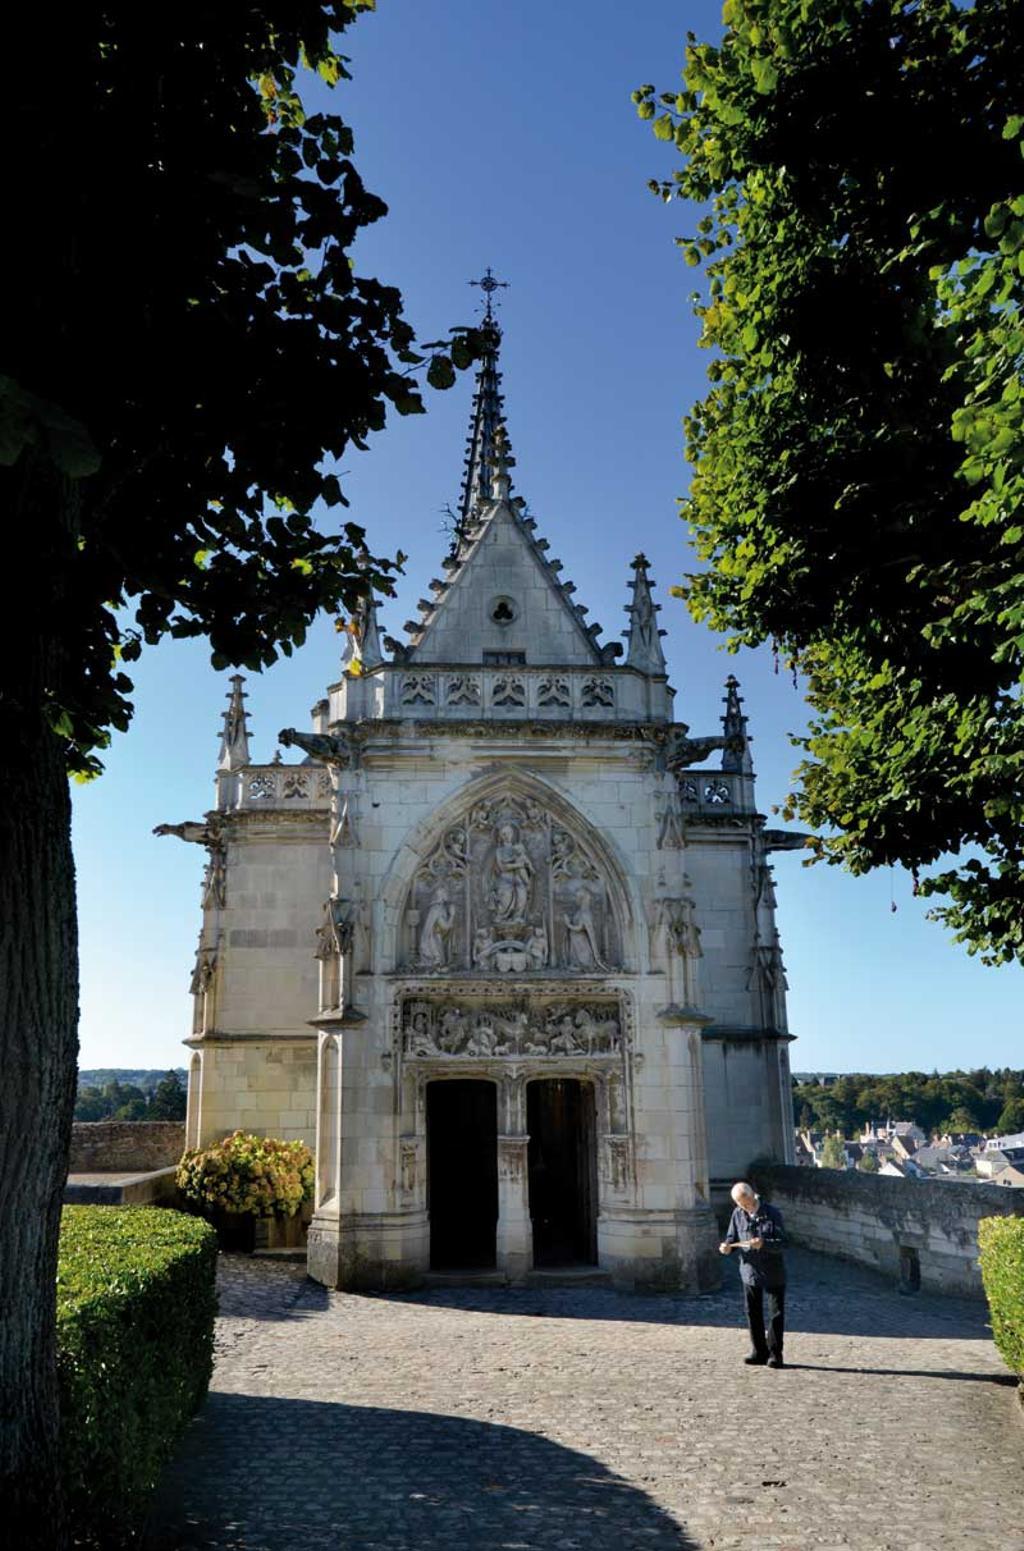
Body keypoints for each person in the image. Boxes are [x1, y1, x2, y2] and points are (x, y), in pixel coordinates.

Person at [719, 1180, 787, 1368]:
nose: (744, 1207)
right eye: (740, 1204)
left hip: (773, 1270)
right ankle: (759, 1351)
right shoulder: (738, 1214)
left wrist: (763, 1243)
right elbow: (732, 1238)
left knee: (776, 1314)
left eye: (746, 1203)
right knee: (753, 1312)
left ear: (752, 1196)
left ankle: (775, 1354)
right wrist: (727, 1247)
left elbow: (783, 1242)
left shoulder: (772, 1213)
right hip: (749, 1271)